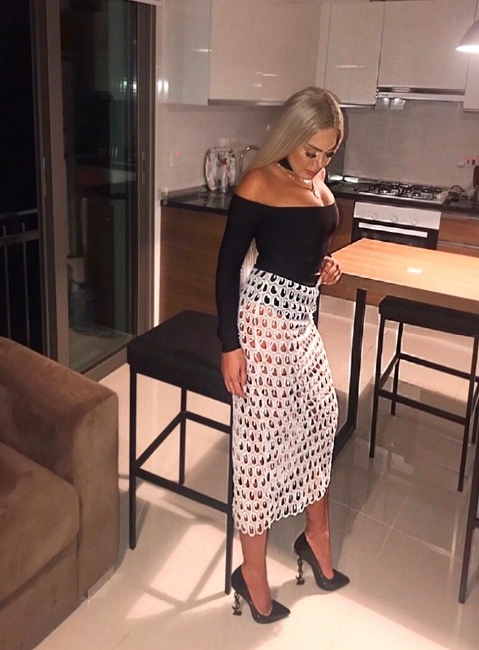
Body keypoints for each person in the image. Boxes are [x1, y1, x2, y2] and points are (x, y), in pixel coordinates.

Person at [215, 86, 349, 624]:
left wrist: (325, 265)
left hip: (302, 319)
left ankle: (315, 534)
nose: (318, 162)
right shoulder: (259, 182)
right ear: (291, 136)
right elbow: (227, 266)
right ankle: (251, 574)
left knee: (321, 417)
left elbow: (309, 243)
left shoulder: (315, 182)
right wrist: (230, 343)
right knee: (260, 447)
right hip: (265, 323)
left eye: (328, 153)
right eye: (311, 151)